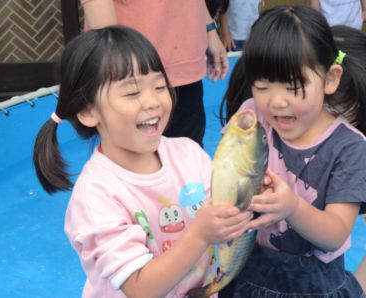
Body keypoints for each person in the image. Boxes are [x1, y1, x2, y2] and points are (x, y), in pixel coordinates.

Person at [32, 26, 252, 298]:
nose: (153, 101)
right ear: (89, 111)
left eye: (160, 86)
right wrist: (200, 234)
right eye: (132, 93)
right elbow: (139, 287)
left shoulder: (189, 154)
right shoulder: (97, 196)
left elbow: (225, 209)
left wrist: (251, 194)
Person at [218, 5, 366, 297]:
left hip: (314, 286)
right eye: (262, 86)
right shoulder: (253, 118)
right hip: (248, 273)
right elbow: (223, 172)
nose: (276, 102)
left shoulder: (349, 148)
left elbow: (335, 234)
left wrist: (292, 208)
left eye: (292, 87)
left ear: (330, 79)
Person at [80, 0, 229, 148]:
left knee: (189, 155)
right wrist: (117, 64)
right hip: (134, 68)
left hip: (185, 60)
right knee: (135, 158)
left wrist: (209, 29)